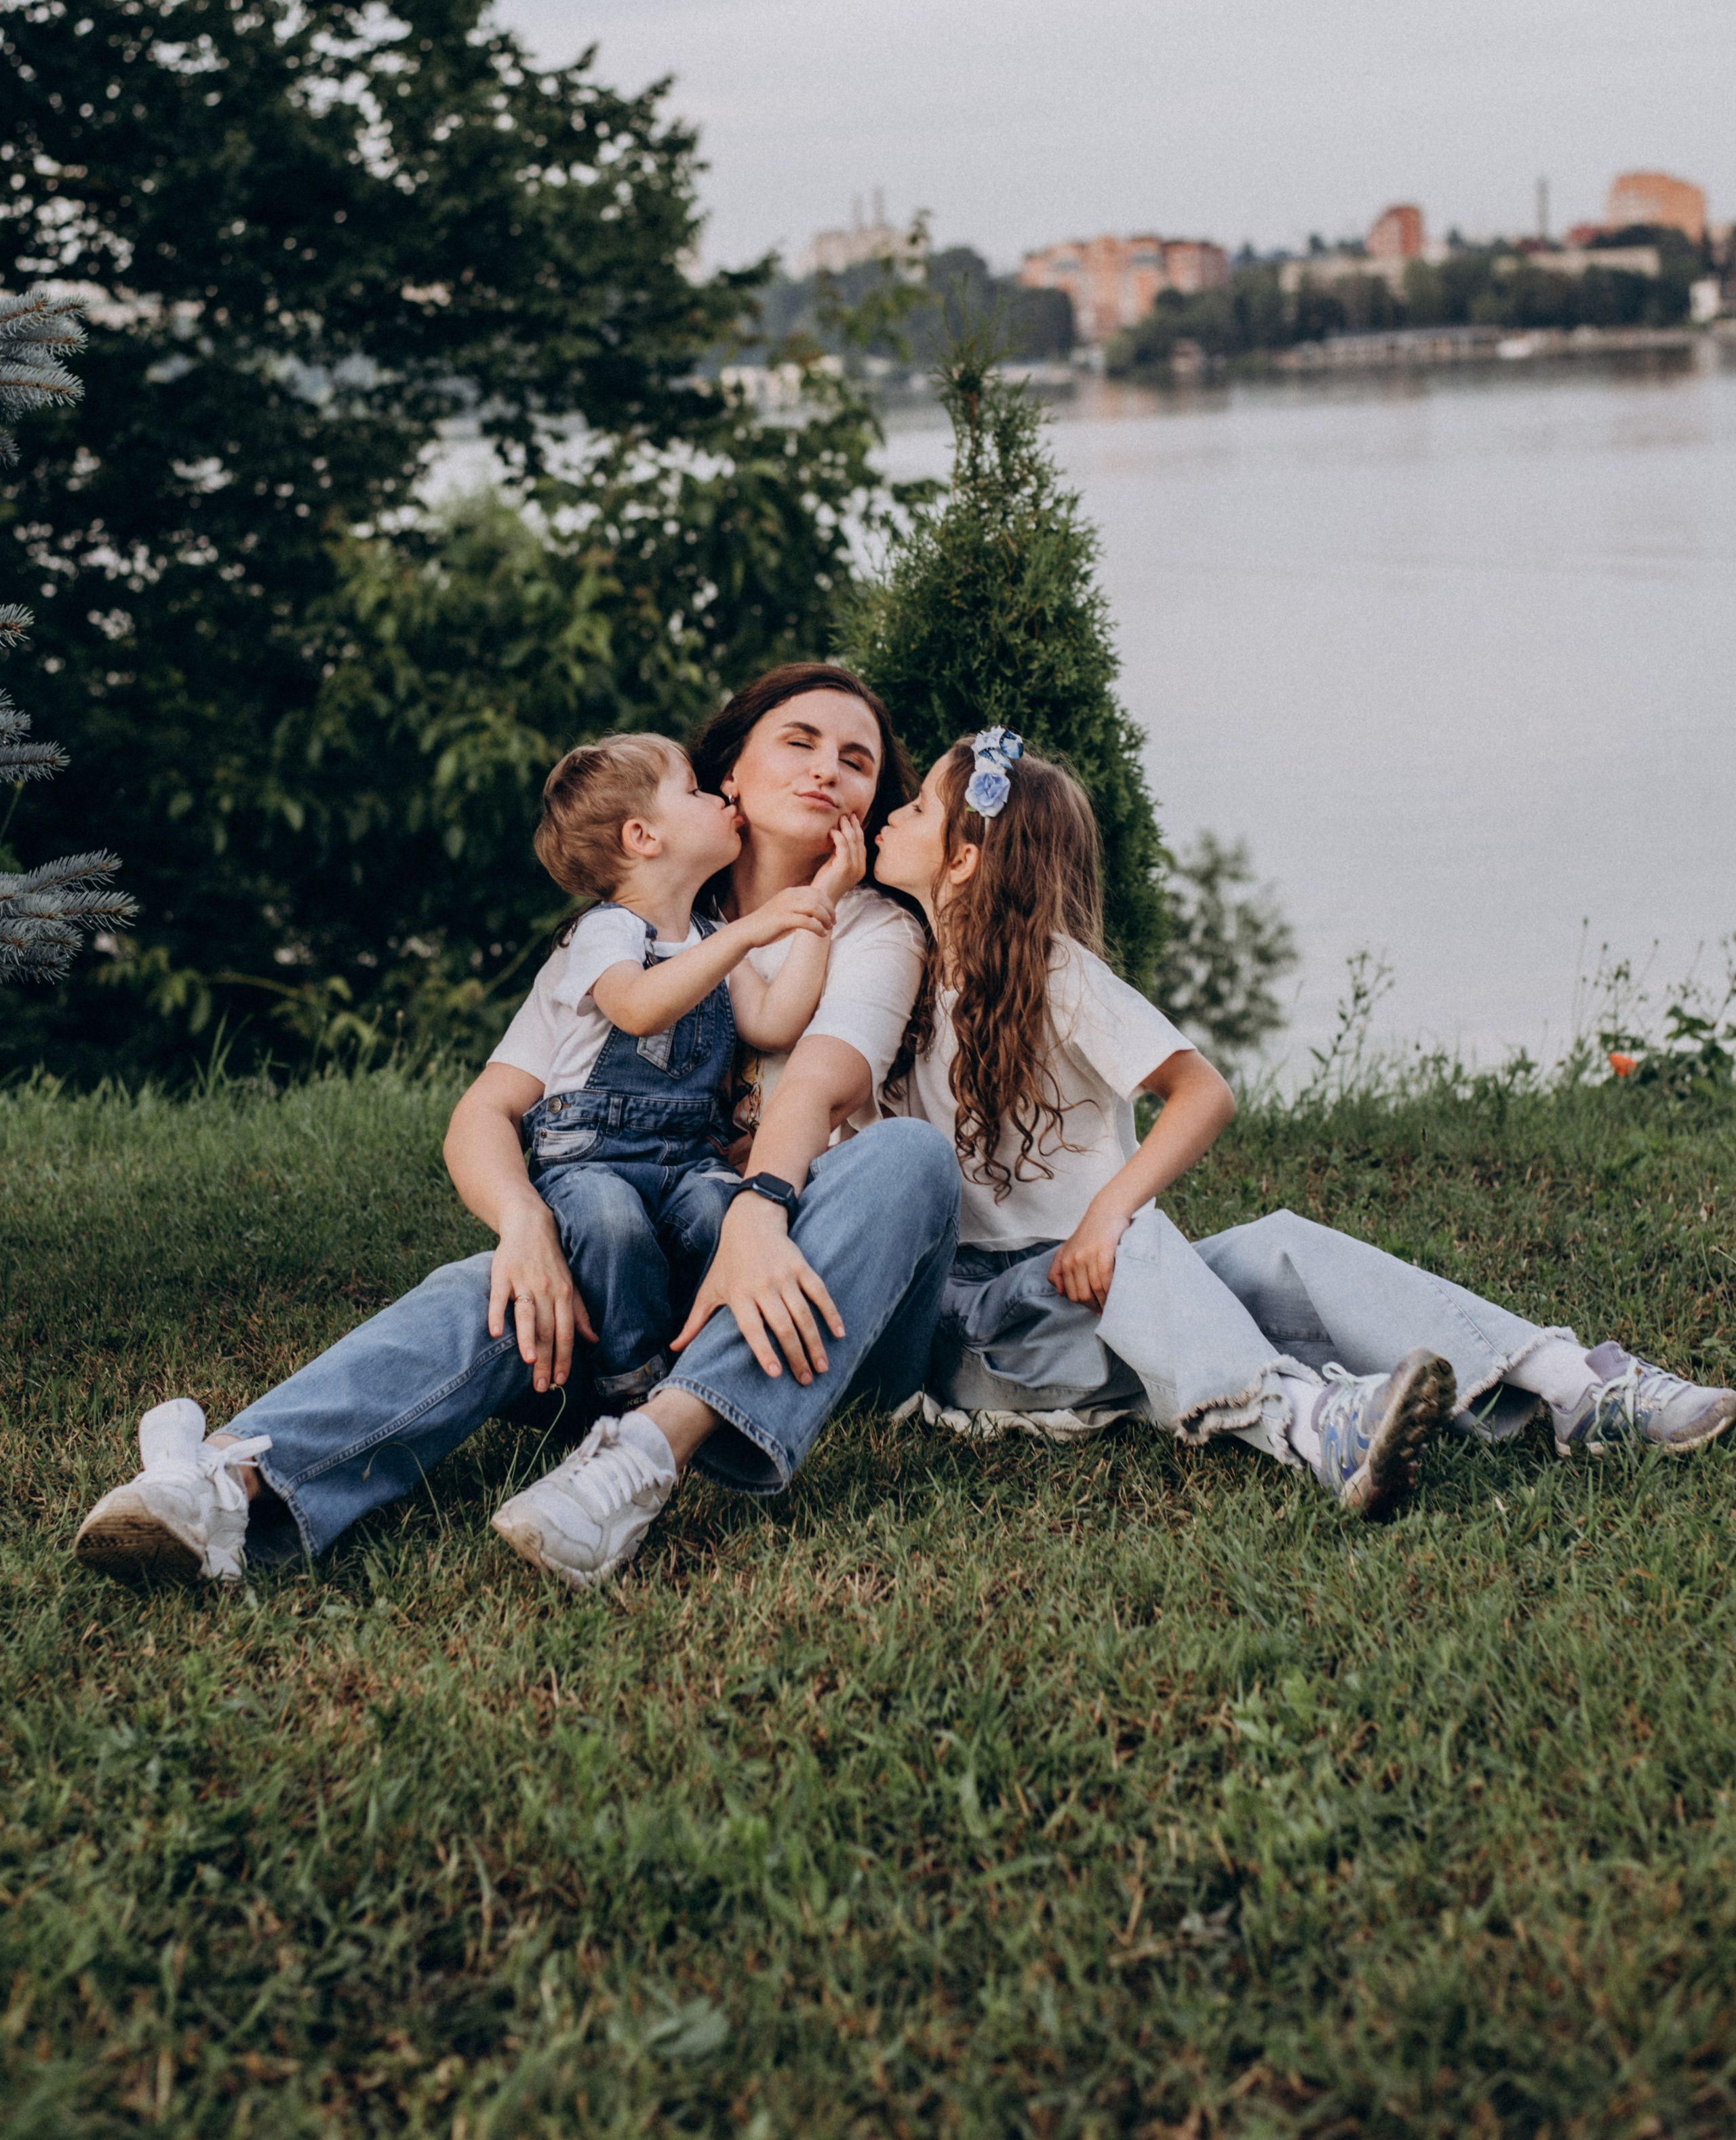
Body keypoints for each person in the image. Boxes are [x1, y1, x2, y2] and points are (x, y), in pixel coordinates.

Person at [74, 665, 960, 1591]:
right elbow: (484, 1114)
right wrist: (527, 1227)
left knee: (906, 1156)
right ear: (729, 772)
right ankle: (226, 1482)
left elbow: (812, 1087)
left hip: (816, 1297)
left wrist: (759, 1210)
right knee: (498, 1283)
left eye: (857, 761)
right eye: (801, 741)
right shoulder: (627, 931)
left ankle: (645, 1456)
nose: (829, 770)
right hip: (646, 1293)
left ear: (868, 801)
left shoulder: (870, 929)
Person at [875, 730, 1736, 1515]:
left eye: (913, 808)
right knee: (1152, 1256)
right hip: (988, 1332)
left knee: (1274, 1246)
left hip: (1107, 1275)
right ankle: (1313, 1421)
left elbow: (1202, 1092)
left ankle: (1571, 1384)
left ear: (960, 860)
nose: (891, 812)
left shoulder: (1054, 973)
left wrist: (1106, 1215)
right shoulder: (893, 982)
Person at [489, 729, 864, 1411]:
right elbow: (635, 1006)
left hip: (688, 1153)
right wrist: (750, 931)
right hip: (593, 1154)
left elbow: (776, 1022)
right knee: (609, 1224)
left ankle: (701, 1362)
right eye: (693, 790)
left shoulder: (709, 935)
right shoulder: (607, 929)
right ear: (642, 836)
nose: (720, 794)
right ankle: (626, 1385)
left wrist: (820, 901)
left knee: (720, 1209)